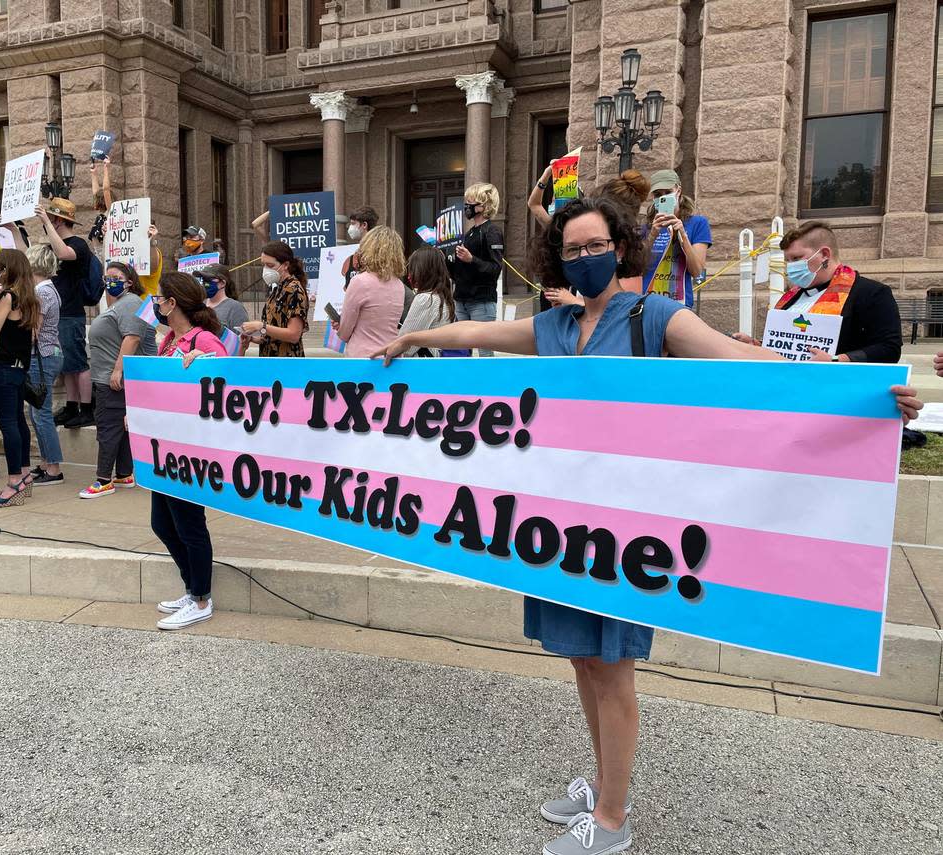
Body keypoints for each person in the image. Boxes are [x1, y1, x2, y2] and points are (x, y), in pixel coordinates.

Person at [372, 194, 922, 855]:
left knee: (613, 666)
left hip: (626, 530)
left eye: (595, 245)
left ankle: (612, 818)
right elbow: (474, 335)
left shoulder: (653, 315)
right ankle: (604, 779)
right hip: (557, 527)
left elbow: (743, 361)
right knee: (582, 657)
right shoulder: (552, 324)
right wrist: (413, 338)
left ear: (620, 247)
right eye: (571, 249)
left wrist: (860, 391)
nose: (584, 258)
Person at [151, 272, 229, 630]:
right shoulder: (168, 339)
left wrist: (205, 363)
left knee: (189, 524)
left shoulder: (206, 340)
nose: (156, 302)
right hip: (164, 444)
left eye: (160, 297)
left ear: (173, 302)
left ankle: (201, 599)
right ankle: (191, 586)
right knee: (162, 523)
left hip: (191, 449)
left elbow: (228, 381)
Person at [735, 221, 901, 364]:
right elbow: (789, 344)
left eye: (796, 258)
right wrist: (755, 344)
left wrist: (836, 359)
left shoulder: (871, 293)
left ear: (824, 254)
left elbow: (889, 349)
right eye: (788, 260)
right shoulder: (791, 297)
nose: (790, 266)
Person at [79, 261, 156, 500]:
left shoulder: (131, 302)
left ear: (130, 281)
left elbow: (131, 339)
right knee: (120, 430)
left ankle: (104, 480)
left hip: (114, 379)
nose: (109, 281)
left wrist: (117, 371)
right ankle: (123, 473)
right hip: (112, 377)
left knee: (108, 428)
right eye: (107, 277)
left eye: (115, 277)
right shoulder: (123, 304)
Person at [0, 248, 40, 508]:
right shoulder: (29, 299)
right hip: (19, 369)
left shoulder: (7, 297)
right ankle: (24, 473)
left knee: (9, 424)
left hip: (4, 368)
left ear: (7, 269)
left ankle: (14, 479)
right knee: (18, 420)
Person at [31, 199, 95, 429]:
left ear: (59, 220)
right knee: (67, 364)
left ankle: (86, 408)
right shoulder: (51, 243)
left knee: (78, 362)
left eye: (51, 217)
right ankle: (71, 405)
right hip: (57, 312)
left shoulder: (78, 244)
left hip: (70, 311)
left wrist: (46, 221)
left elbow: (64, 253)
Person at [24, 243, 65, 486]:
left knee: (41, 414)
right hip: (47, 354)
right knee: (37, 412)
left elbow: (34, 330)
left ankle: (53, 468)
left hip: (43, 355)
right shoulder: (47, 289)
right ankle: (46, 462)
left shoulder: (43, 292)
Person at [448, 182, 504, 356]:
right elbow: (460, 273)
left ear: (483, 205)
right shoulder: (470, 233)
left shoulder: (492, 231)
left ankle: (488, 383)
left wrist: (471, 259)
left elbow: (495, 269)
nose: (467, 205)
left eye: (470, 201)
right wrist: (445, 261)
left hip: (481, 301)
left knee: (484, 353)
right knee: (462, 352)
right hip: (462, 299)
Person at [641, 169, 710, 309]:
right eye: (658, 195)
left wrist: (682, 234)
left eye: (668, 192)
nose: (663, 197)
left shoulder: (697, 223)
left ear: (678, 190)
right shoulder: (646, 228)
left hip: (679, 304)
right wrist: (653, 235)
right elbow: (637, 268)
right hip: (648, 303)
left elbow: (697, 272)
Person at [336, 225, 406, 358]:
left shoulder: (359, 281)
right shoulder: (399, 285)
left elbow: (345, 332)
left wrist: (340, 326)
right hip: (390, 355)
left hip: (363, 357)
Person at [241, 241, 309, 357]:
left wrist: (261, 326)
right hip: (270, 361)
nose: (266, 269)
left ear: (285, 265)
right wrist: (252, 337)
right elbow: (271, 335)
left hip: (287, 363)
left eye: (270, 265)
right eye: (264, 264)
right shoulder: (277, 288)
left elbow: (293, 335)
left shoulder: (294, 290)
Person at [398, 246, 457, 356]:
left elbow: (404, 346)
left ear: (422, 270)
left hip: (423, 367)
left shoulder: (425, 299)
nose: (410, 274)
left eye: (412, 268)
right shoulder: (442, 297)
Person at [198, 262, 249, 330]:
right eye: (203, 279)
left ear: (222, 283)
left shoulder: (235, 308)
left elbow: (241, 338)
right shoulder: (200, 305)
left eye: (208, 279)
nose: (205, 283)